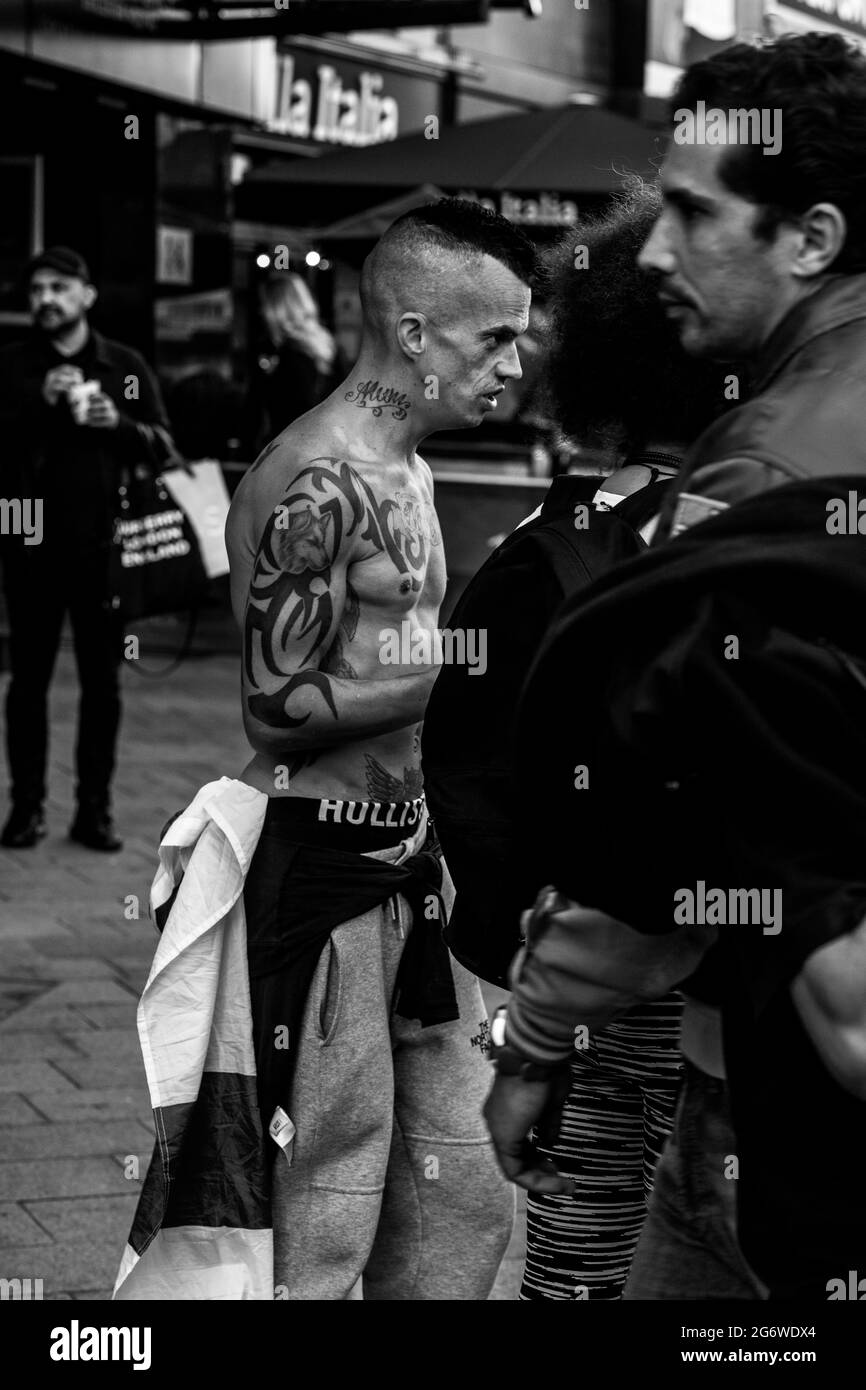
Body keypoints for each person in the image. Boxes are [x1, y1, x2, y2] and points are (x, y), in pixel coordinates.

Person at [483, 31, 866, 1301]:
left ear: (808, 238)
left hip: (794, 1128)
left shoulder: (760, 474)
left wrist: (534, 1041)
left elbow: (652, 808)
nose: (650, 249)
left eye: (692, 214)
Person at [223, 197, 535, 1299]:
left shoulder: (413, 465)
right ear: (413, 335)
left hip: (414, 864)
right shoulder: (308, 472)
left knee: (456, 1188)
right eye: (492, 334)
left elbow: (400, 661)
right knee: (327, 1190)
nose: (516, 359)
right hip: (322, 873)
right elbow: (274, 703)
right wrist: (477, 664)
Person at [517, 180, 733, 1301]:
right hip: (717, 988)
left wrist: (531, 1006)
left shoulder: (552, 542)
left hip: (597, 952)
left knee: (586, 1211)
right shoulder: (751, 508)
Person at [0, 246, 175, 852]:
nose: (45, 299)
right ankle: (26, 809)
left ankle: (93, 812)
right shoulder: (15, 365)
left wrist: (118, 426)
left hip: (106, 552)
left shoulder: (122, 365)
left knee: (103, 686)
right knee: (27, 683)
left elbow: (164, 450)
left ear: (87, 295)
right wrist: (35, 402)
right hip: (29, 546)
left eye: (58, 288)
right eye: (37, 290)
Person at [247, 273, 341, 454]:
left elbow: (291, 413)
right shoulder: (328, 346)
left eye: (264, 305)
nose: (261, 311)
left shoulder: (290, 356)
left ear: (277, 309)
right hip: (327, 452)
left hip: (292, 455)